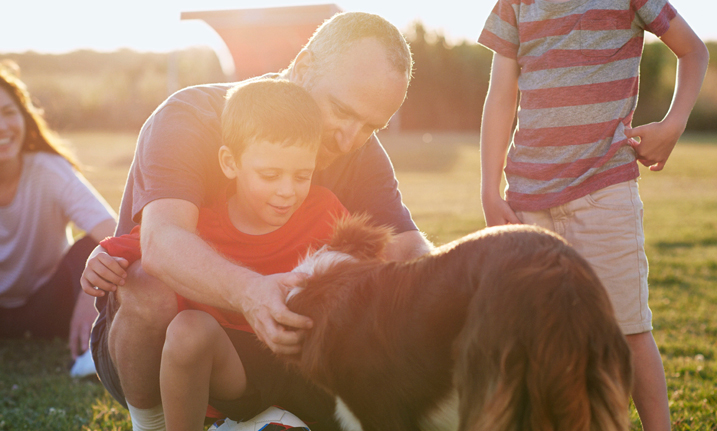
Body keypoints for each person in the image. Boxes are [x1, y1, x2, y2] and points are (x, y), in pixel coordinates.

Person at [80, 12, 431, 431]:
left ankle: (260, 416)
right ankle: (152, 423)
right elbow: (161, 241)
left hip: (273, 350)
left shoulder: (360, 152)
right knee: (147, 284)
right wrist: (250, 292)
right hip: (167, 344)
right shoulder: (192, 116)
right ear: (303, 66)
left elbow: (408, 251)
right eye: (341, 110)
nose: (348, 138)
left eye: (372, 126)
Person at [478, 1, 708, 430]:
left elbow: (694, 51)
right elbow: (501, 94)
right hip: (527, 203)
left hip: (605, 194)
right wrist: (490, 189)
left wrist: (672, 126)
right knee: (534, 343)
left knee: (628, 331)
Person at [91, 79, 348, 430]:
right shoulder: (203, 224)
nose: (287, 191)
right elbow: (129, 248)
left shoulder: (326, 213)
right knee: (188, 330)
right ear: (230, 163)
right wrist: (99, 261)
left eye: (302, 175)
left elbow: (366, 272)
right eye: (270, 175)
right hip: (231, 368)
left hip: (299, 365)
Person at [0, 61, 116, 370]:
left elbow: (115, 232)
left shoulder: (49, 169)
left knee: (91, 247)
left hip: (48, 306)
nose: (2, 127)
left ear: (23, 118)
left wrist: (92, 294)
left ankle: (94, 344)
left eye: (8, 113)